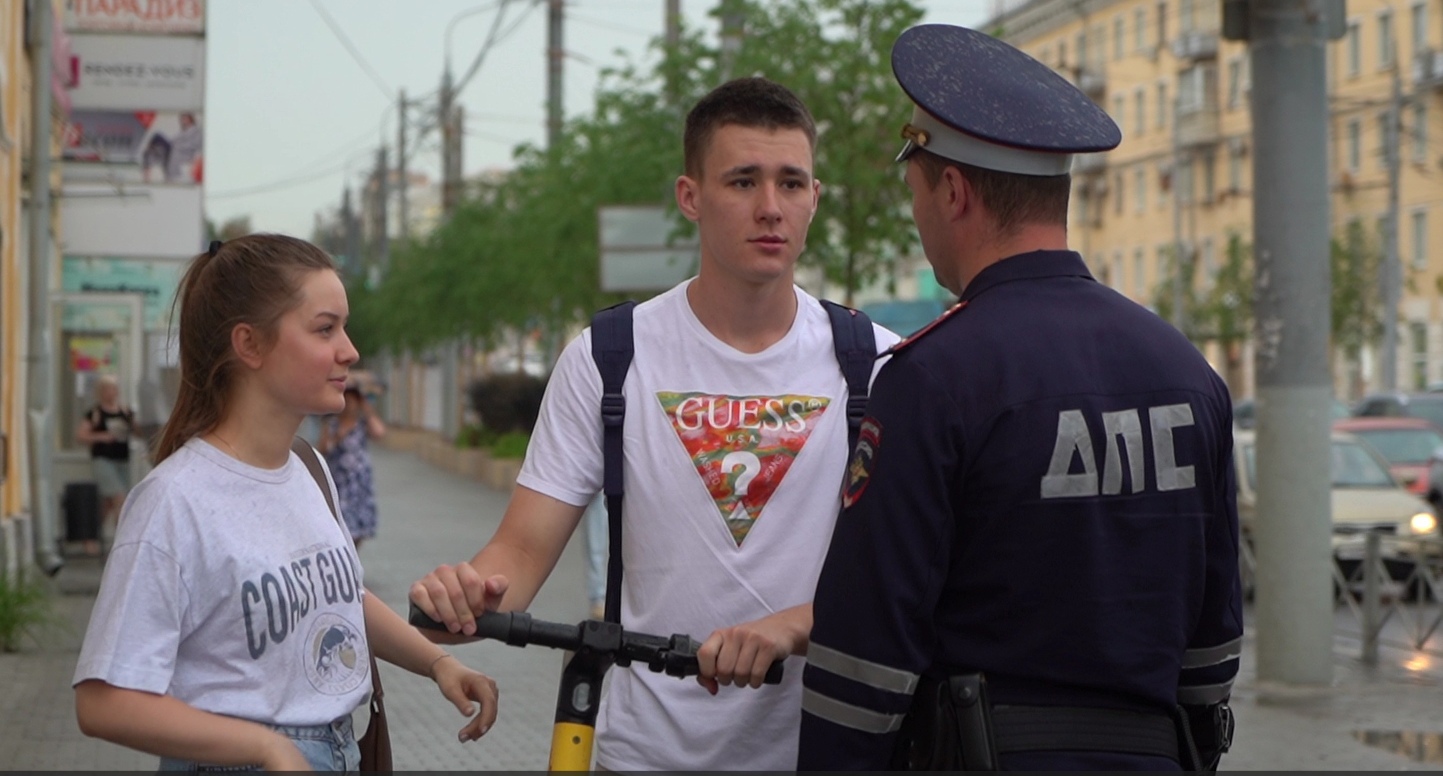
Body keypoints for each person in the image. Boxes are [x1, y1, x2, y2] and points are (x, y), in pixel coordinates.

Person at [410, 77, 898, 771]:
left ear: (814, 198)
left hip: (820, 749)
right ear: (689, 197)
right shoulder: (609, 358)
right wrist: (458, 598)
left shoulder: (875, 363)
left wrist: (793, 627)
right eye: (741, 181)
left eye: (791, 183)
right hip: (641, 752)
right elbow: (516, 556)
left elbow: (911, 582)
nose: (770, 208)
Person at [798, 24, 1242, 772]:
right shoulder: (1185, 371)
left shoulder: (932, 378)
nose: (918, 217)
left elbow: (864, 659)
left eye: (916, 192)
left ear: (952, 190)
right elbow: (1211, 641)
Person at [73, 234, 498, 772]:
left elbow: (340, 600)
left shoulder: (310, 469)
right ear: (249, 345)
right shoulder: (173, 501)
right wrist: (268, 747)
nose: (350, 350)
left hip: (340, 747)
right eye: (325, 328)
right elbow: (104, 701)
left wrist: (438, 664)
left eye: (345, 327)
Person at [317, 380, 387, 550]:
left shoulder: (362, 424)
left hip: (359, 483)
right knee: (340, 524)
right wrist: (338, 437)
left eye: (353, 400)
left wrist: (367, 409)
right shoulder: (332, 424)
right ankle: (345, 557)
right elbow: (322, 448)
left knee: (359, 528)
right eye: (346, 400)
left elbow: (380, 432)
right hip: (340, 482)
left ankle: (352, 560)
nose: (349, 405)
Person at [75, 374, 135, 555]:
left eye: (113, 389)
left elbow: (136, 430)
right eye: (107, 389)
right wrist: (101, 437)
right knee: (120, 499)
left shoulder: (125, 411)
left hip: (122, 460)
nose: (111, 393)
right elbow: (81, 435)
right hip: (103, 460)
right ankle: (122, 543)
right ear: (101, 392)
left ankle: (89, 535)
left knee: (108, 504)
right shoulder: (95, 413)